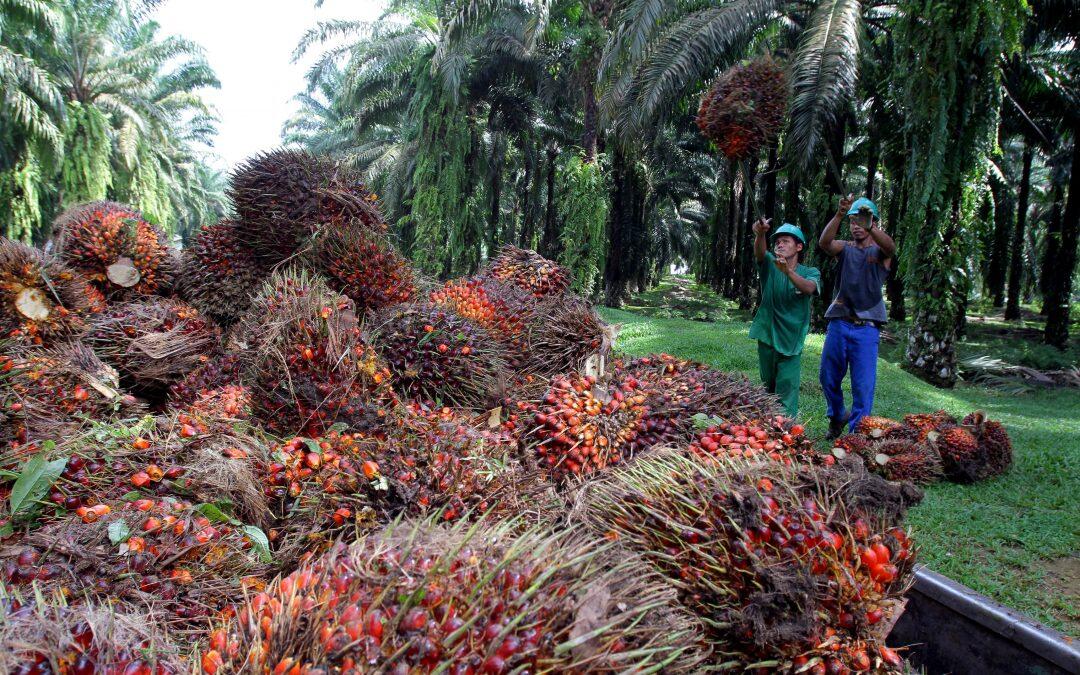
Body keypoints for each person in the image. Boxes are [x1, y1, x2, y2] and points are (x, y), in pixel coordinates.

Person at [818, 194, 897, 438]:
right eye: (853, 221)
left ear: (873, 222)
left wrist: (870, 225)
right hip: (840, 322)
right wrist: (840, 213)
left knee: (863, 386)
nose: (856, 226)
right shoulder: (845, 248)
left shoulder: (880, 251)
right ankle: (838, 415)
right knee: (828, 377)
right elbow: (824, 243)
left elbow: (891, 247)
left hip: (867, 329)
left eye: (861, 220)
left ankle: (856, 437)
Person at [748, 218, 820, 417]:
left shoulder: (810, 272)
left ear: (798, 246)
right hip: (767, 334)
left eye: (785, 241)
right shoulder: (770, 265)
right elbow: (760, 253)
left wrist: (787, 271)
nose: (780, 244)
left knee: (787, 390)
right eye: (777, 241)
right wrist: (760, 234)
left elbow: (809, 288)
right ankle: (766, 429)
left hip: (791, 339)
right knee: (767, 389)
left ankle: (787, 433)